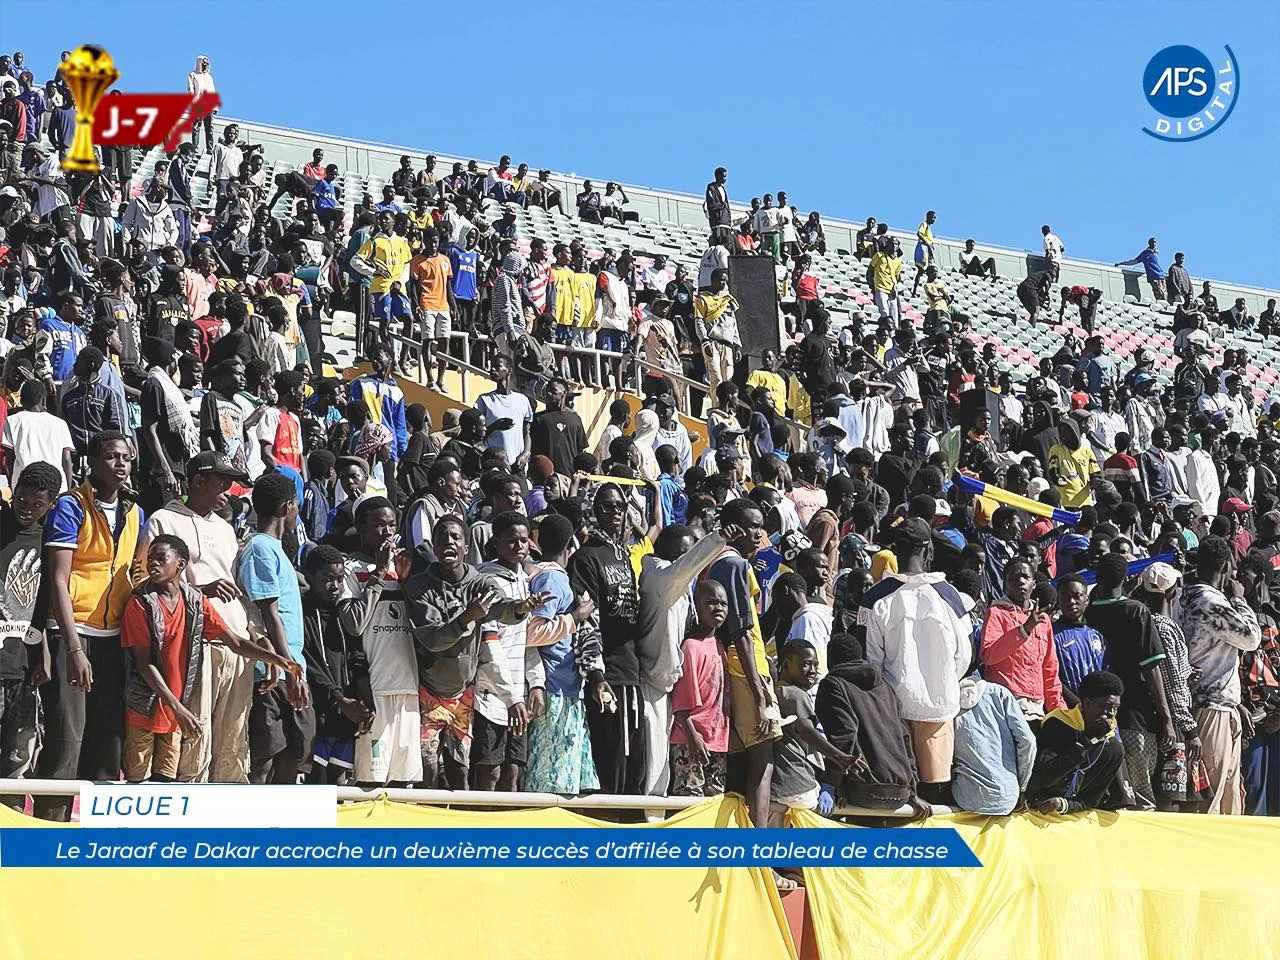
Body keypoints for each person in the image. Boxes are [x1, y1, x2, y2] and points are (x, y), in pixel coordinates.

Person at [121, 535, 295, 783]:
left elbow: (235, 642)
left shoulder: (194, 602)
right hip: (146, 709)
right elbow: (144, 664)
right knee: (137, 785)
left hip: (175, 715)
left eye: (161, 558)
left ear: (181, 565)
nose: (153, 565)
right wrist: (178, 708)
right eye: (151, 559)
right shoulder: (140, 604)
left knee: (166, 785)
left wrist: (278, 660)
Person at [34, 432, 143, 820]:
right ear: (92, 462)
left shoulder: (135, 512)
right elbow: (58, 580)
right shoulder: (71, 506)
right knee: (68, 738)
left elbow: (134, 572)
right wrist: (74, 648)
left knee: (107, 741)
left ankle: (99, 838)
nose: (121, 464)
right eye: (112, 456)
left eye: (126, 458)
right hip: (72, 632)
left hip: (112, 637)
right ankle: (48, 831)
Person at [135, 451, 257, 782]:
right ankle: (191, 820)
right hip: (195, 642)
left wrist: (255, 631)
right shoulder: (163, 520)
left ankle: (230, 826)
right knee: (195, 736)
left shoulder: (226, 527)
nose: (229, 490)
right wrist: (200, 589)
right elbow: (142, 581)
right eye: (223, 482)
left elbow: (240, 588)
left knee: (234, 738)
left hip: (237, 640)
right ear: (198, 481)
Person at [406, 515, 546, 788]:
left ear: (466, 547)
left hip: (464, 695)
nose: (449, 542)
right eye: (442, 537)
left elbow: (500, 605)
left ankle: (462, 830)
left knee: (460, 772)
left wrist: (520, 608)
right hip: (428, 692)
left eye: (456, 537)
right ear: (434, 547)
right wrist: (466, 618)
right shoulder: (419, 586)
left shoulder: (479, 582)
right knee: (429, 771)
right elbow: (433, 639)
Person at [860, 518, 973, 803]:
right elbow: (965, 655)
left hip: (892, 709)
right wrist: (945, 679)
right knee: (935, 792)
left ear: (895, 549)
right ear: (928, 549)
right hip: (939, 707)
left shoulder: (874, 598)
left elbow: (871, 660)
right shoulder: (951, 597)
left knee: (901, 792)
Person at [637, 522, 732, 795]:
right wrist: (719, 538)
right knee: (655, 779)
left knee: (665, 779)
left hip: (671, 692)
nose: (693, 563)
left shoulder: (682, 590)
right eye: (688, 554)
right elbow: (682, 569)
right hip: (653, 687)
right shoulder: (658, 574)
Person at [706, 499, 785, 828]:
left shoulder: (717, 562)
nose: (758, 534)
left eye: (761, 528)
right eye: (751, 527)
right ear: (733, 529)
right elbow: (740, 628)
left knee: (740, 764)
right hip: (745, 669)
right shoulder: (735, 564)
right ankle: (759, 851)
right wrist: (758, 689)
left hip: (732, 667)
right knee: (763, 762)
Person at [1086, 553, 1177, 809]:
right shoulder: (1137, 611)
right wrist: (1166, 717)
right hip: (1135, 716)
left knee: (1107, 797)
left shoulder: (1087, 612)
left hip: (1095, 717)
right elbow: (1152, 668)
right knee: (1141, 797)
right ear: (1127, 578)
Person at [339, 497, 420, 786]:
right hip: (375, 691)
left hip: (408, 688)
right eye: (379, 525)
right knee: (370, 781)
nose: (387, 532)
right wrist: (379, 573)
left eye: (391, 525)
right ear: (361, 528)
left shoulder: (407, 565)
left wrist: (408, 581)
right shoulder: (349, 570)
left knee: (404, 782)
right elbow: (354, 624)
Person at [239, 473, 313, 784]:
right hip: (271, 674)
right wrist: (290, 668)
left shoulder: (276, 549)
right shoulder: (260, 548)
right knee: (264, 759)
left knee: (293, 756)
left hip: (290, 668)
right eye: (296, 506)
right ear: (287, 507)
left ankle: (280, 830)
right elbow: (270, 615)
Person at [1180, 535, 1262, 814]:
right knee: (1211, 795)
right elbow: (1251, 638)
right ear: (1226, 566)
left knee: (1229, 793)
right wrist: (1240, 600)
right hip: (1210, 707)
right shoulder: (1208, 600)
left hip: (1220, 705)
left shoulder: (1186, 595)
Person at [0, 463, 60, 794]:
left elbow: (40, 612)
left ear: (51, 505)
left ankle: (12, 835)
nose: (27, 508)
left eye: (37, 505)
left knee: (16, 759)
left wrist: (43, 654)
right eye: (22, 499)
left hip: (22, 670)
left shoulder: (47, 542)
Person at [1025, 670, 1127, 814]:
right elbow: (1046, 777)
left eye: (1115, 709)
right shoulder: (1057, 724)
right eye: (1106, 706)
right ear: (1087, 703)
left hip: (1069, 815)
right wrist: (1086, 742)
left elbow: (1091, 800)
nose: (1111, 714)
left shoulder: (1113, 748)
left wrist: (1063, 804)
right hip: (1034, 809)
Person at [952, 652, 1037, 816]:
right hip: (1008, 798)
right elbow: (1028, 741)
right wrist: (1022, 786)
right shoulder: (999, 693)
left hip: (965, 797)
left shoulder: (947, 700)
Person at [980, 558, 1064, 721]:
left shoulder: (1043, 619)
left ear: (1033, 583)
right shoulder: (997, 612)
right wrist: (1024, 630)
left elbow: (1050, 667)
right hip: (1006, 702)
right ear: (1005, 584)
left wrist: (1059, 711)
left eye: (1025, 576)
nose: (1020, 581)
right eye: (1013, 578)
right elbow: (988, 655)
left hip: (1036, 706)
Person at [2, 379, 74, 491]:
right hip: (57, 486)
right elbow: (67, 459)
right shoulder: (60, 423)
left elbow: (10, 458)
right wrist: (68, 489)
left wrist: (13, 484)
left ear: (21, 399)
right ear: (43, 399)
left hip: (24, 486)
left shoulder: (13, 421)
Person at [477, 354, 533, 473]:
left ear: (509, 371)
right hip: (495, 465)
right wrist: (494, 426)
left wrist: (526, 453)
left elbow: (526, 432)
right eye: (492, 366)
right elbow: (476, 433)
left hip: (518, 465)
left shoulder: (522, 400)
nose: (492, 369)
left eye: (497, 366)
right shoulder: (484, 400)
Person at [694, 268, 741, 404]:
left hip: (727, 344)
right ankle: (717, 406)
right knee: (716, 378)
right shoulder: (703, 299)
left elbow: (733, 324)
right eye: (721, 280)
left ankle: (729, 408)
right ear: (713, 280)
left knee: (728, 380)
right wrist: (704, 341)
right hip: (712, 341)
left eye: (725, 281)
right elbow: (699, 322)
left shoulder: (727, 300)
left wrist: (737, 345)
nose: (723, 283)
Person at [1115, 237, 1166, 302]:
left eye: (1155, 242)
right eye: (1152, 242)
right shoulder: (1145, 253)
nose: (1154, 243)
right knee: (1159, 293)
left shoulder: (1156, 252)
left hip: (1161, 276)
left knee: (1164, 294)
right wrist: (1121, 263)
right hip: (1153, 276)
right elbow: (1133, 261)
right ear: (1149, 243)